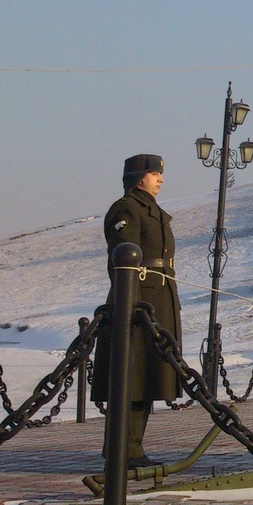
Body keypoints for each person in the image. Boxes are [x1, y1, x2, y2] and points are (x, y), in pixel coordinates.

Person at [90, 154, 181, 469]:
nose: (161, 179)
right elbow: (122, 259)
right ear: (140, 176)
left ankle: (133, 448)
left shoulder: (153, 210)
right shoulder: (126, 209)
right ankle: (121, 450)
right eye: (156, 173)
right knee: (131, 378)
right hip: (137, 302)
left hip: (157, 300)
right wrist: (132, 299)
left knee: (147, 379)